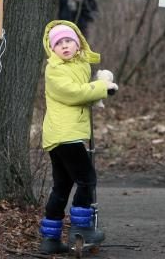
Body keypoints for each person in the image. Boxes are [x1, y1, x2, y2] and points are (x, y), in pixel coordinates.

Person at [39, 20, 118, 254]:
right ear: (51, 49)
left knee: (62, 186)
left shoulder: (78, 65)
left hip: (65, 134)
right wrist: (102, 88)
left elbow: (84, 92)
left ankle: (50, 239)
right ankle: (81, 229)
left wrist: (98, 86)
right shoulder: (55, 69)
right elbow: (73, 93)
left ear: (78, 44)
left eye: (68, 41)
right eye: (58, 43)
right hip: (65, 135)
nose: (64, 46)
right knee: (86, 179)